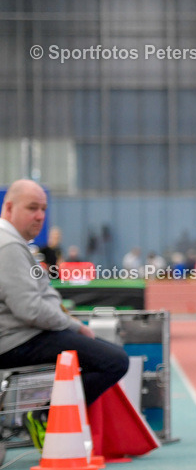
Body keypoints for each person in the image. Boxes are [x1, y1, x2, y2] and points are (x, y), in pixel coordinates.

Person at [0, 180, 129, 448]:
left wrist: (68, 322)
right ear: (9, 208)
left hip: (22, 334)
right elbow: (30, 309)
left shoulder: (15, 243)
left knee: (104, 353)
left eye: (43, 209)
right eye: (32, 208)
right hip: (17, 339)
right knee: (114, 361)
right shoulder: (8, 246)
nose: (40, 216)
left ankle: (49, 416)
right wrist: (74, 326)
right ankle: (46, 417)